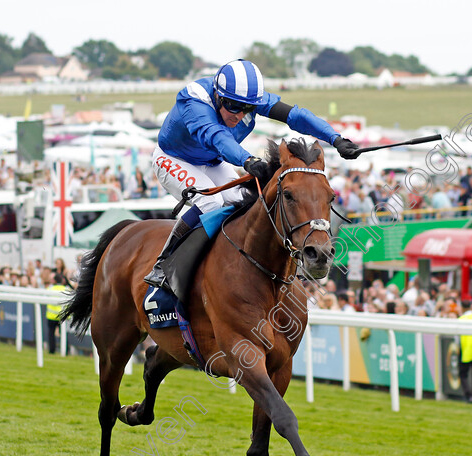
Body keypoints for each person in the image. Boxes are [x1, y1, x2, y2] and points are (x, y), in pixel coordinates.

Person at [143, 58, 362, 291]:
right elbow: (217, 136)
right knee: (212, 201)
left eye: (246, 108)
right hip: (173, 158)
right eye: (232, 106)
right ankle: (164, 264)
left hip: (210, 161)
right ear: (217, 95)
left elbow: (296, 116)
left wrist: (336, 139)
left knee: (244, 204)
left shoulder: (249, 98)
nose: (238, 114)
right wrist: (247, 160)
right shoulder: (194, 100)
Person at [46, 273, 69, 354]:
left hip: (51, 316)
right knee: (63, 334)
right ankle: (66, 350)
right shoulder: (66, 289)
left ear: (54, 280)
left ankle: (52, 350)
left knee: (51, 334)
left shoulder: (50, 288)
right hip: (62, 316)